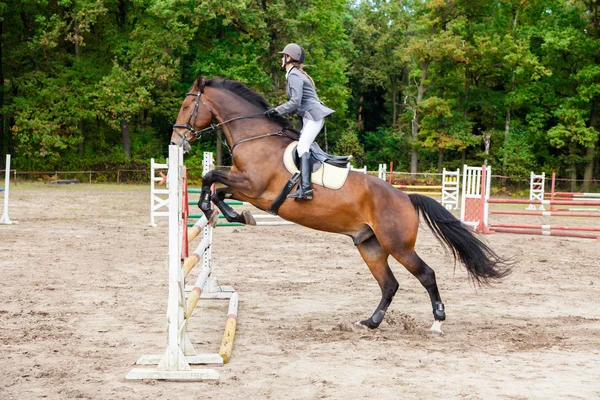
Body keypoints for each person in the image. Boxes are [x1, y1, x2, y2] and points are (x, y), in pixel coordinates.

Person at [265, 43, 334, 201]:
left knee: (302, 146)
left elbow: (295, 102)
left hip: (313, 117)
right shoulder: (295, 74)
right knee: (299, 145)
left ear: (288, 58)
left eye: (283, 56)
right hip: (309, 118)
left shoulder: (294, 75)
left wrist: (277, 110)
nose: (281, 59)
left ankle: (306, 189)